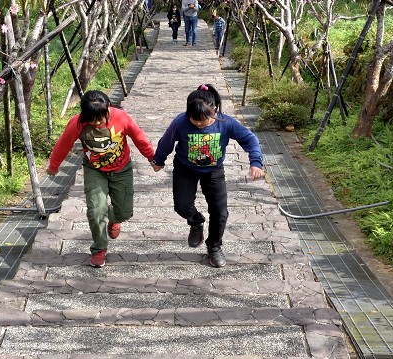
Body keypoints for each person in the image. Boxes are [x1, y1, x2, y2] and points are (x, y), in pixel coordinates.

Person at [151, 84, 264, 268]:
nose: (197, 124)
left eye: (202, 121)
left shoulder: (225, 123)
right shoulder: (181, 122)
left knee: (220, 212)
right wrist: (159, 159)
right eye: (193, 120)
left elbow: (250, 139)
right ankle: (196, 222)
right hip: (185, 168)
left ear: (214, 110)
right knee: (182, 206)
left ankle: (214, 246)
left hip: (213, 171)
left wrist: (255, 162)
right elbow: (167, 140)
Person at [47, 90, 157, 268]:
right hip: (94, 170)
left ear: (108, 109)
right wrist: (54, 166)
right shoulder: (77, 123)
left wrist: (152, 158)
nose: (98, 123)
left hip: (122, 169)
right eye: (93, 120)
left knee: (124, 212)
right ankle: (99, 248)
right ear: (84, 116)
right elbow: (63, 144)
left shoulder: (121, 118)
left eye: (102, 118)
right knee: (95, 210)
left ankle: (114, 219)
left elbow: (139, 138)